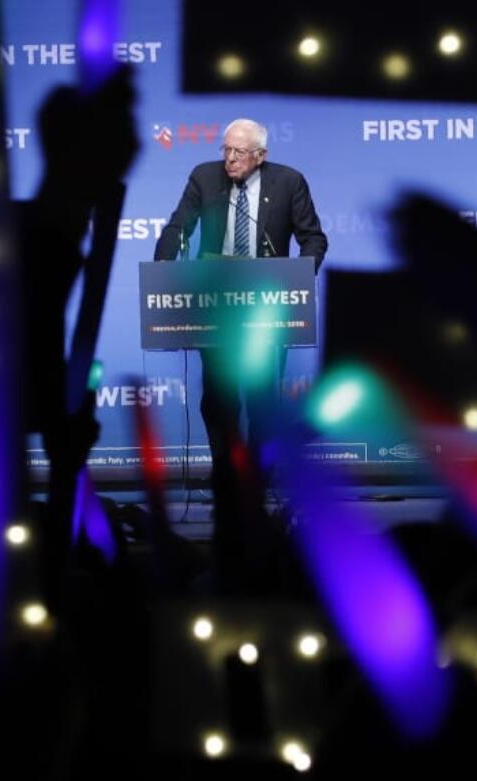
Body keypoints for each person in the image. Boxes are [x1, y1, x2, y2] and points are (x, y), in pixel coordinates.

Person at [153, 118, 327, 589]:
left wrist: (294, 279)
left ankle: (257, 487)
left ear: (260, 156)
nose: (228, 158)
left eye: (238, 152)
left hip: (267, 308)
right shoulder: (203, 177)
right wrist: (166, 267)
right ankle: (227, 483)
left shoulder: (288, 182)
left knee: (263, 404)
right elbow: (177, 226)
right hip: (216, 306)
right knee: (219, 401)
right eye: (226, 150)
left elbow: (314, 238)